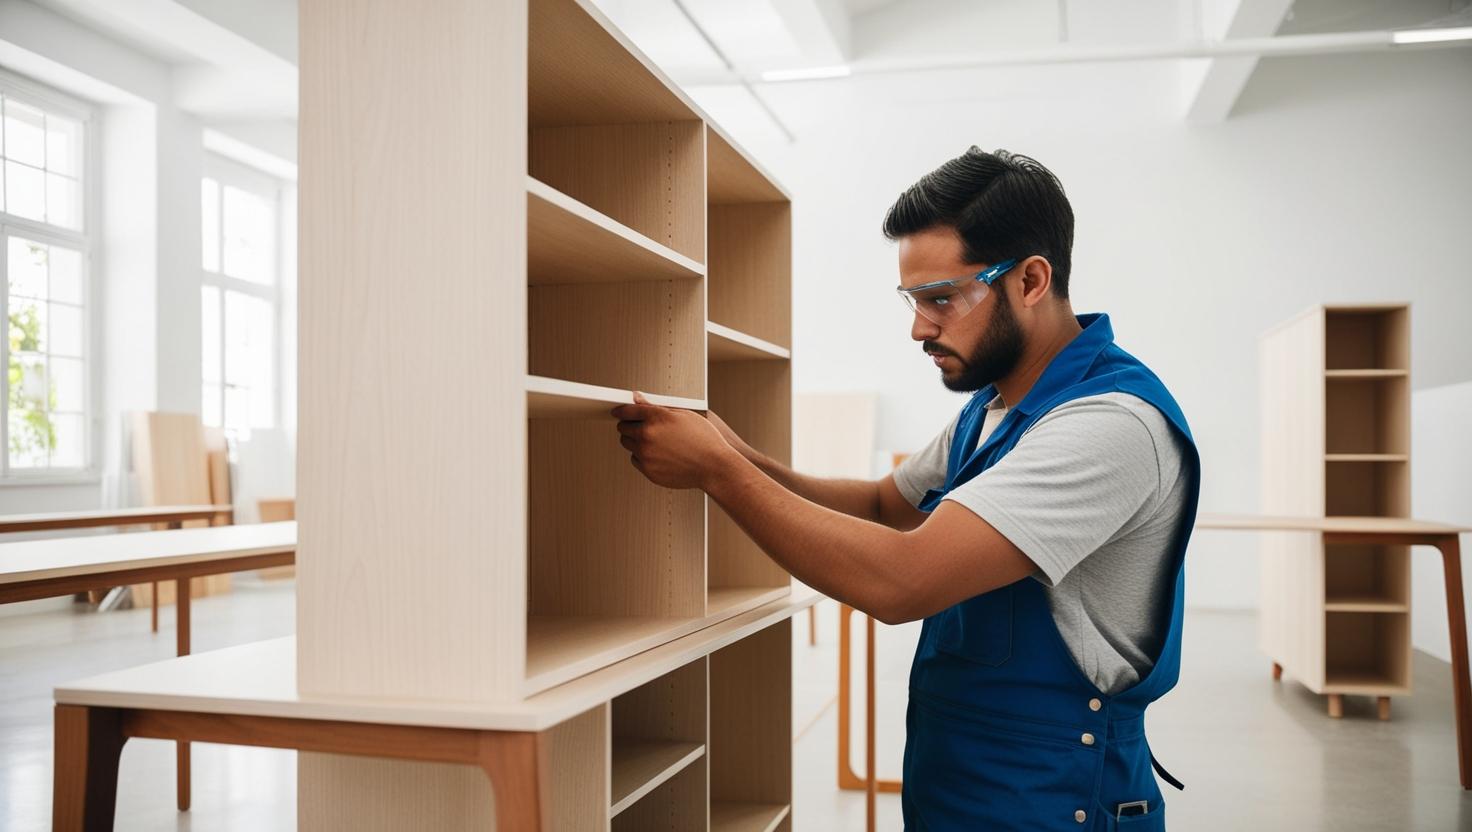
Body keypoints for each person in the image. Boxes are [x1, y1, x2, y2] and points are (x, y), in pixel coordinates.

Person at [612, 146, 1200, 830]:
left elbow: (903, 581)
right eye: (913, 299)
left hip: (1054, 802)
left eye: (942, 299)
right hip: (961, 793)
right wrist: (735, 449)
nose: (920, 327)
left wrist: (718, 470)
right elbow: (882, 507)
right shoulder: (992, 409)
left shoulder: (1108, 427)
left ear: (1032, 280)